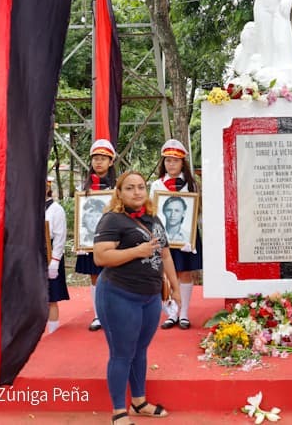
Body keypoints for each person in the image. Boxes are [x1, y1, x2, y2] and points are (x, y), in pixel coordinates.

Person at [93, 171, 181, 425]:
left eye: (141, 187)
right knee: (122, 353)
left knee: (140, 350)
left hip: (150, 296)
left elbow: (165, 255)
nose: (137, 192)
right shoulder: (112, 219)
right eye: (130, 188)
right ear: (119, 192)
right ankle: (119, 411)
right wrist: (137, 251)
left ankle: (139, 402)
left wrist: (175, 288)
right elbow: (101, 257)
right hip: (118, 294)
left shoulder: (153, 218)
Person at [150, 139, 202, 330]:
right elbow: (152, 212)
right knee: (167, 274)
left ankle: (184, 313)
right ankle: (172, 313)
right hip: (163, 237)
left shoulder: (191, 184)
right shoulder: (157, 185)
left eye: (175, 160)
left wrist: (193, 235)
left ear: (182, 163)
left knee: (185, 272)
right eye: (168, 160)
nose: (171, 164)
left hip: (186, 236)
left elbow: (197, 211)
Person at [76, 139, 117, 332]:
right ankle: (98, 315)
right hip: (90, 241)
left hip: (113, 241)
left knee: (114, 276)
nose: (98, 162)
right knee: (94, 277)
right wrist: (80, 239)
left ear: (111, 161)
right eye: (95, 158)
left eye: (103, 158)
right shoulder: (83, 188)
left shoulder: (118, 186)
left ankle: (114, 314)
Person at [46, 179, 69, 334]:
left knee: (51, 297)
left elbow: (60, 236)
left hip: (50, 254)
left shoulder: (56, 209)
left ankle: (52, 331)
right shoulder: (30, 207)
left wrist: (55, 260)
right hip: (33, 255)